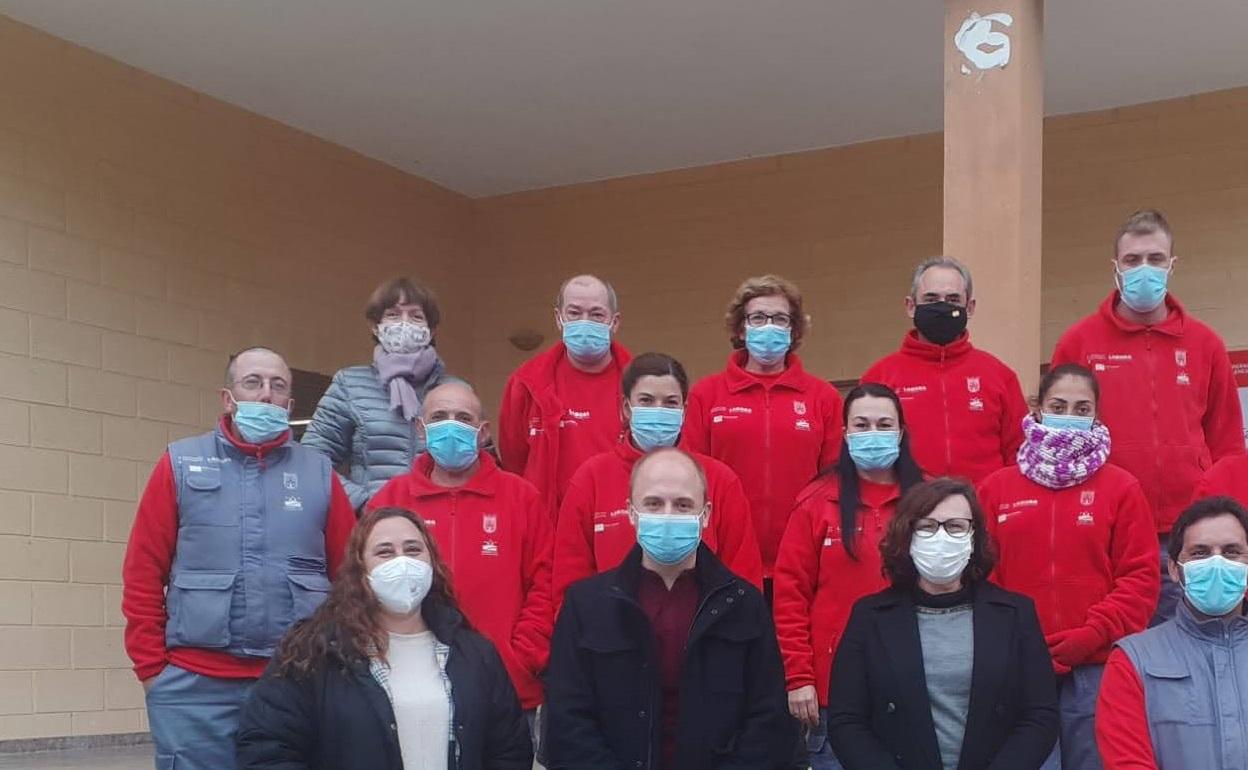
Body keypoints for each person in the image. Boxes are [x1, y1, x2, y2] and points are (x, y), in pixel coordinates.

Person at [122, 347, 357, 770]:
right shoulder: (179, 463)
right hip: (194, 688)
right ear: (228, 398)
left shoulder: (320, 474)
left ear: (289, 404)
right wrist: (153, 670)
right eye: (253, 382)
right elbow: (143, 570)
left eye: (278, 386)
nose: (266, 394)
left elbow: (350, 579)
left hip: (296, 681)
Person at [1052, 209, 1244, 622]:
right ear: (1115, 268)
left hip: (1188, 534)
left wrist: (1225, 529)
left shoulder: (1205, 344)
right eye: (1133, 259)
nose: (1144, 269)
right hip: (1107, 528)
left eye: (1155, 259)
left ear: (1172, 264)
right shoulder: (1079, 341)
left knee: (1192, 649)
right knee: (1118, 646)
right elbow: (1056, 442)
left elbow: (1227, 443)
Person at [544, 448, 791, 770]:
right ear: (631, 512)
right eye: (654, 503)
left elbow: (766, 718)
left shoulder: (744, 604)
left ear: (706, 514)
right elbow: (568, 719)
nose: (668, 514)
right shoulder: (585, 605)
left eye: (683, 505)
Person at [236, 507, 532, 769]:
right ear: (360, 570)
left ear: (432, 564)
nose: (402, 562)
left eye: (413, 549)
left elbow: (508, 750)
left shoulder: (475, 654)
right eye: (385, 552)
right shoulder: (313, 651)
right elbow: (268, 748)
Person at [977, 363, 1158, 770]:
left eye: (1082, 408)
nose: (1070, 416)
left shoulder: (1122, 488)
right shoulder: (995, 488)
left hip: (1098, 668)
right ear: (1038, 409)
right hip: (1017, 669)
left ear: (1097, 415)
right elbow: (980, 579)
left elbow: (1140, 578)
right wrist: (1019, 641)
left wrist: (1091, 634)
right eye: (1059, 405)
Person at [827, 478, 1059, 770]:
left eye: (955, 526)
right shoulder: (869, 616)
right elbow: (847, 720)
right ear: (907, 536)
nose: (941, 537)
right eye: (927, 526)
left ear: (974, 537)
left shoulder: (1015, 613)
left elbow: (1040, 715)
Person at [366, 381, 553, 729]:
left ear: (483, 433)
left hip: (506, 687)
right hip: (409, 687)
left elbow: (545, 583)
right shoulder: (390, 501)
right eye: (439, 416)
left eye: (463, 418)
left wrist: (521, 657)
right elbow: (364, 585)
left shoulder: (521, 497)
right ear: (421, 428)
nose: (451, 425)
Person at [773, 383, 925, 770]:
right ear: (845, 435)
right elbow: (791, 596)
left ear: (901, 432)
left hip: (917, 684)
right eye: (861, 425)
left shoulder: (929, 501)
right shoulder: (815, 503)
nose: (872, 434)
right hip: (833, 692)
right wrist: (798, 677)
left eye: (883, 424)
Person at [553, 352, 763, 605]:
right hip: (610, 636)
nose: (658, 410)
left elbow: (743, 579)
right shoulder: (590, 479)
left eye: (670, 402)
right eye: (647, 400)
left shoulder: (719, 480)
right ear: (626, 408)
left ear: (685, 409)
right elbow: (569, 581)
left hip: (705, 635)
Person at [684, 274, 843, 585]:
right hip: (725, 559)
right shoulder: (706, 395)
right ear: (742, 328)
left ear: (793, 329)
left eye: (779, 318)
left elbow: (833, 483)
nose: (768, 325)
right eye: (758, 317)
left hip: (802, 560)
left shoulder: (823, 398)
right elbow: (693, 479)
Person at [1095, 496, 1248, 769]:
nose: (1217, 563)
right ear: (1174, 570)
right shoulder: (1132, 661)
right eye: (1200, 553)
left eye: (1231, 552)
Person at [861, 256, 1028, 485]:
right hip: (907, 512)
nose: (942, 306)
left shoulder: (999, 376)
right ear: (911, 306)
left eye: (952, 299)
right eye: (931, 299)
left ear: (969, 307)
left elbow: (1018, 455)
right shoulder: (880, 377)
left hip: (981, 514)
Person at [303, 277, 457, 510]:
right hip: (374, 527)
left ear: (431, 330)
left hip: (441, 525)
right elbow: (312, 460)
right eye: (393, 315)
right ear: (375, 326)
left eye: (416, 316)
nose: (405, 324)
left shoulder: (456, 391)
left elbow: (484, 464)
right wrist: (364, 503)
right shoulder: (350, 384)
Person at [498, 274, 632, 513]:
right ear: (558, 318)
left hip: (621, 523)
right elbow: (514, 464)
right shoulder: (526, 383)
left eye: (596, 314)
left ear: (615, 321)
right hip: (550, 529)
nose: (584, 321)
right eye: (574, 313)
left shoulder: (641, 384)